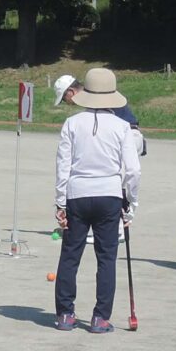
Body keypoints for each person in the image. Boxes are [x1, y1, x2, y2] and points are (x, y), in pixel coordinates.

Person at [53, 68, 141, 334]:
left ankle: (65, 315)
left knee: (70, 256)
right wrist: (131, 204)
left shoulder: (71, 124)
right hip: (109, 195)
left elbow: (62, 165)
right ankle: (100, 318)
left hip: (77, 195)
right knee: (106, 258)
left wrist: (60, 202)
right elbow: (133, 170)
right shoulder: (122, 126)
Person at [54, 74, 146, 245]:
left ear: (71, 92)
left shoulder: (98, 97)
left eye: (65, 99)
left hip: (129, 136)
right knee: (115, 181)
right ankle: (109, 227)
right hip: (128, 135)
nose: (68, 103)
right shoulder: (98, 94)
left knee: (118, 181)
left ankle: (116, 230)